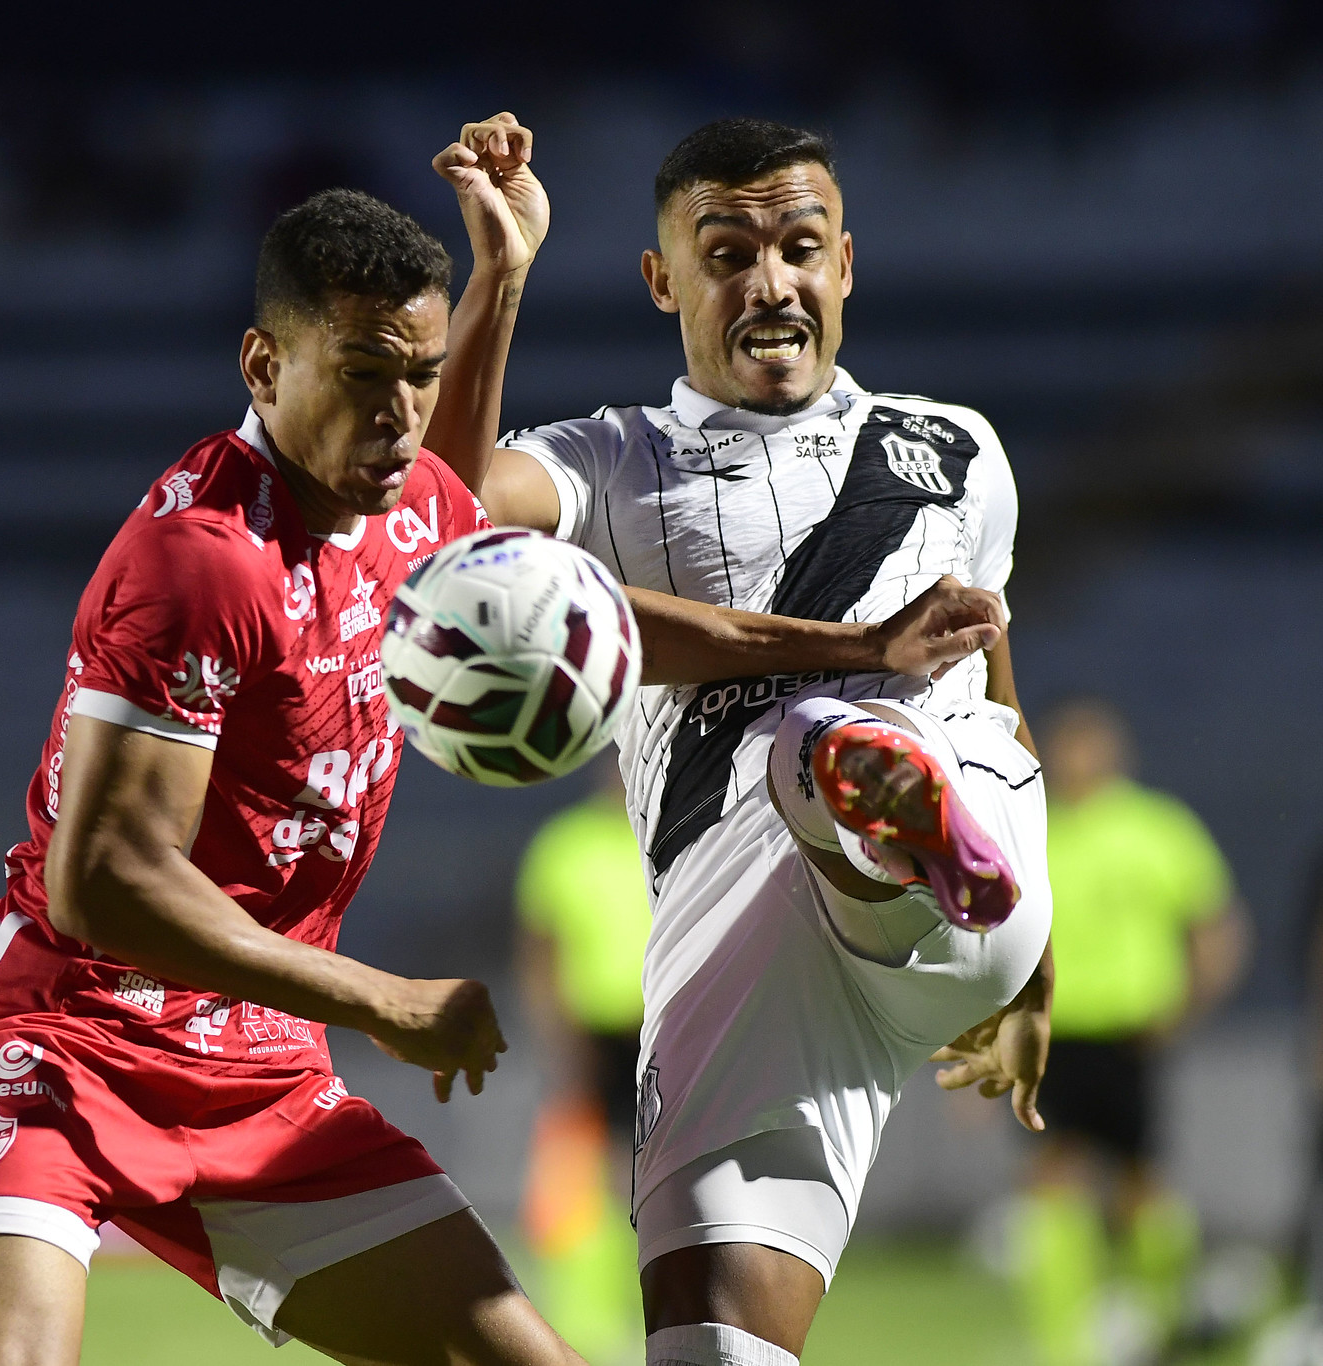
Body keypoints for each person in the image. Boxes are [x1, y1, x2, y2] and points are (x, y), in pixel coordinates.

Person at [0, 145, 1008, 1365]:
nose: (397, 417)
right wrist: (383, 1000)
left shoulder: (410, 505)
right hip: (55, 1040)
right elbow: (103, 880)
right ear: (265, 368)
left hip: (252, 1070)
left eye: (418, 379)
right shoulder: (199, 561)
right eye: (364, 375)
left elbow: (586, 617)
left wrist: (848, 643)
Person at [425, 113, 1056, 1366]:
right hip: (733, 940)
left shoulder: (955, 453)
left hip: (934, 876)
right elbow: (441, 541)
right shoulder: (606, 463)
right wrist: (496, 277)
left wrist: (1033, 970)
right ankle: (886, 802)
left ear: (843, 267)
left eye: (798, 247)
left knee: (813, 744)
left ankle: (893, 808)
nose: (768, 279)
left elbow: (999, 695)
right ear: (664, 281)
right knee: (708, 1349)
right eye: (726, 252)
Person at [1009, 698, 1246, 1366]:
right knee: (1051, 1179)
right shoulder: (1036, 831)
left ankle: (1165, 1317)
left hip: (1130, 1034)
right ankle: (1063, 1345)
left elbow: (1215, 926)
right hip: (1054, 1035)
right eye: (1070, 746)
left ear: (1116, 753)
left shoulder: (1158, 829)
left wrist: (1187, 1009)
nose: (1080, 759)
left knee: (1141, 1182)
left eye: (1093, 746)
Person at [515, 760, 652, 1360]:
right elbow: (540, 953)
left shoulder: (668, 837)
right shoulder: (564, 844)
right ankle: (581, 1312)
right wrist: (559, 1037)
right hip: (593, 1033)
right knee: (581, 1179)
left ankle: (651, 1308)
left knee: (657, 1180)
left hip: (663, 1030)